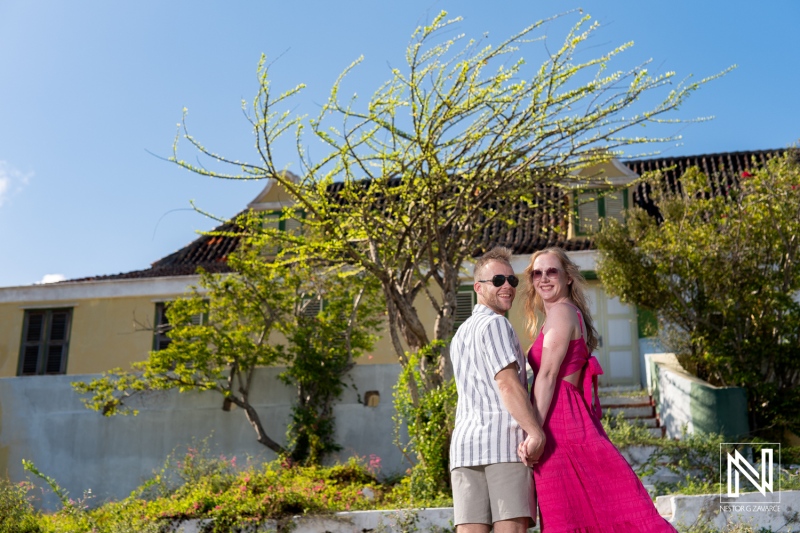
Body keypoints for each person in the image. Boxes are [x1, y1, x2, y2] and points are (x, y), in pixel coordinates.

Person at [518, 247, 676, 532]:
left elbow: (548, 376)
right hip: (566, 417)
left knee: (568, 514)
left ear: (567, 277)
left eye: (552, 271)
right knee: (585, 509)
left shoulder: (562, 313)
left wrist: (534, 432)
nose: (543, 278)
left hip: (559, 422)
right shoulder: (562, 313)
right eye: (536, 273)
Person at [450, 246, 546, 533]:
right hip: (503, 445)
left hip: (465, 449)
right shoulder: (496, 325)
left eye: (512, 281)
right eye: (498, 281)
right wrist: (535, 432)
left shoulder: (460, 333)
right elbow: (506, 383)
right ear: (478, 287)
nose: (507, 286)